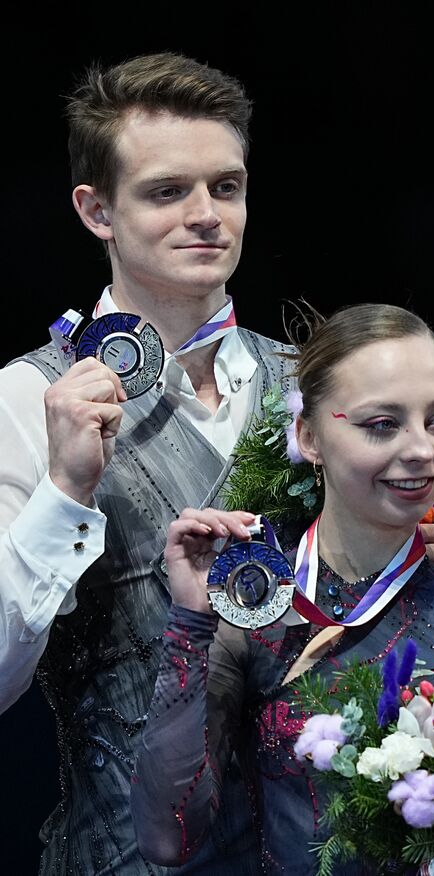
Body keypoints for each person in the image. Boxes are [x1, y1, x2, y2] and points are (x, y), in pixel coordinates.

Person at [0, 53, 284, 874]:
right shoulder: (28, 399)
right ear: (97, 211)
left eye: (226, 188)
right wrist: (65, 490)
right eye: (167, 192)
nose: (207, 216)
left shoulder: (314, 385)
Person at [131, 304, 434, 874]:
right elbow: (167, 837)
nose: (422, 449)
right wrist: (192, 622)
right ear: (309, 436)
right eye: (382, 424)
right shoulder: (256, 618)